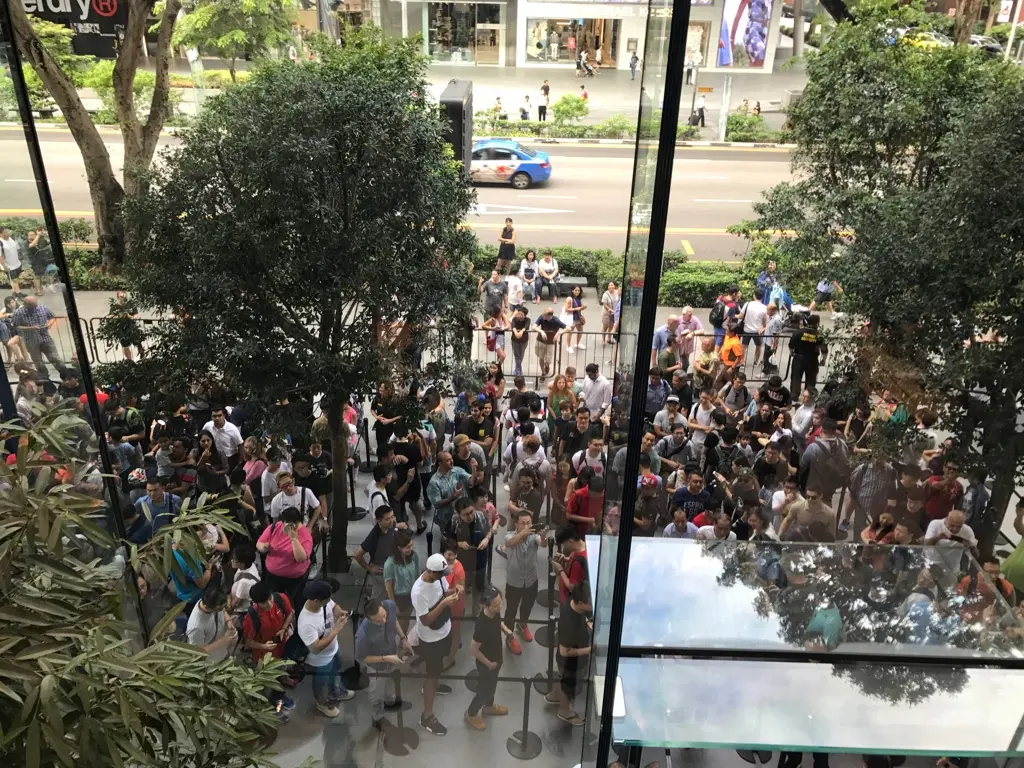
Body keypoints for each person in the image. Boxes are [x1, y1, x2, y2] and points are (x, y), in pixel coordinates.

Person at [411, 553, 462, 736]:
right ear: (431, 572)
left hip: (444, 630)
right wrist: (445, 603)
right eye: (441, 573)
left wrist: (454, 591)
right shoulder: (418, 592)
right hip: (430, 638)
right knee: (432, 673)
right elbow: (425, 620)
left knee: (438, 665)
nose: (444, 576)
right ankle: (427, 716)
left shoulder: (439, 579)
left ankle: (432, 683)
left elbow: (444, 592)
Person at [297, 580, 354, 718]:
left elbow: (334, 605)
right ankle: (322, 703)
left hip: (333, 650)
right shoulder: (306, 623)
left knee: (335, 672)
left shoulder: (324, 601)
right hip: (320, 661)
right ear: (316, 600)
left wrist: (339, 612)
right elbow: (316, 648)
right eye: (327, 599)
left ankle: (335, 691)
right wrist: (336, 630)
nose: (329, 601)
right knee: (321, 683)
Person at [462, 585, 512, 732]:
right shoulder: (482, 625)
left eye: (500, 602)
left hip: (496, 656)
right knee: (485, 689)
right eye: (496, 605)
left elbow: (498, 622)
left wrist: (505, 629)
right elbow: (473, 649)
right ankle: (471, 713)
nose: (500, 606)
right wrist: (489, 664)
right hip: (487, 662)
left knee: (493, 685)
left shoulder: (495, 613)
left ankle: (489, 707)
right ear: (485, 605)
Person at [241, 581, 297, 711]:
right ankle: (275, 701)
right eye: (264, 603)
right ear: (256, 602)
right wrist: (264, 646)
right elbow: (248, 642)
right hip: (264, 657)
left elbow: (290, 613)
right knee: (270, 681)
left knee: (281, 669)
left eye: (270, 599)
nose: (269, 604)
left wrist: (283, 628)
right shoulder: (252, 618)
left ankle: (281, 680)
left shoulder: (281, 598)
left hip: (282, 647)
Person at [356, 598, 410, 730]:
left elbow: (394, 621)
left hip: (392, 656)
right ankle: (377, 717)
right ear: (369, 619)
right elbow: (362, 658)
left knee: (390, 682)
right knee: (376, 694)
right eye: (379, 621)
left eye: (384, 616)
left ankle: (389, 701)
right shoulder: (363, 634)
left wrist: (403, 638)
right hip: (377, 668)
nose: (384, 621)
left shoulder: (389, 605)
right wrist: (386, 658)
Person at [545, 580, 592, 727]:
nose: (592, 606)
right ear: (580, 603)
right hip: (571, 663)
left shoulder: (573, 604)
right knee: (568, 685)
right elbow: (565, 652)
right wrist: (591, 649)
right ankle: (564, 710)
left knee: (563, 680)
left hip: (569, 663)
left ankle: (555, 696)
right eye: (589, 603)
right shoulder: (569, 623)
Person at [256, 507, 312, 605]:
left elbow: (301, 558)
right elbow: (260, 543)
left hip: (294, 579)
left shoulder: (305, 534)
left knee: (296, 602)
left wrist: (293, 538)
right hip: (273, 576)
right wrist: (263, 547)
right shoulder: (274, 527)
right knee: (275, 601)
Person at [353, 505, 407, 599]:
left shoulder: (390, 524)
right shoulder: (373, 537)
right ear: (379, 521)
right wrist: (369, 568)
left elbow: (394, 526)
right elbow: (357, 555)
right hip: (381, 572)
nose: (392, 520)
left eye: (392, 516)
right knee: (377, 599)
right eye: (387, 519)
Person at [11, 295, 63, 376]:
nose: (33, 309)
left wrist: (49, 324)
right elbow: (16, 327)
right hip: (31, 341)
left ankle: (65, 375)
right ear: (25, 305)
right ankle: (45, 378)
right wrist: (31, 328)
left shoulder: (43, 308)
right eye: (31, 307)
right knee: (38, 362)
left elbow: (52, 317)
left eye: (35, 306)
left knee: (55, 358)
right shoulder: (18, 313)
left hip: (46, 338)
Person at [924, 510, 978, 586]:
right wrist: (938, 537)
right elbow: (926, 544)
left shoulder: (967, 530)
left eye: (959, 526)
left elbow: (976, 554)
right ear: (946, 520)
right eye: (952, 525)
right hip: (932, 565)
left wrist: (971, 547)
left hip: (952, 570)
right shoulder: (935, 524)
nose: (955, 529)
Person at [186, 585, 237, 659]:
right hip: (211, 660)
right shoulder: (195, 627)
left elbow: (223, 610)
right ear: (206, 607)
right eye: (219, 609)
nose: (223, 610)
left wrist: (228, 621)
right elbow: (197, 652)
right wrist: (223, 640)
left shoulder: (210, 601)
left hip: (221, 650)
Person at [383, 530, 419, 629]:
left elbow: (416, 576)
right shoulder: (389, 564)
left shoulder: (414, 556)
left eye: (411, 545)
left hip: (411, 595)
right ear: (399, 548)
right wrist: (393, 604)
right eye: (408, 547)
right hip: (399, 599)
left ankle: (403, 640)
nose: (411, 549)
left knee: (406, 621)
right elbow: (388, 587)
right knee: (400, 623)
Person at [790, 314, 826, 396]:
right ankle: (808, 395)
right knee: (811, 379)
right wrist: (823, 360)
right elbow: (824, 349)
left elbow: (791, 345)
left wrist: (792, 353)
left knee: (796, 377)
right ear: (817, 323)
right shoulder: (819, 335)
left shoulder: (798, 332)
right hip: (812, 359)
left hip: (798, 358)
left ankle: (794, 395)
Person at [534, 306, 566, 378]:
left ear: (549, 316)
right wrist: (541, 331)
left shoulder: (556, 320)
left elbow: (568, 328)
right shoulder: (541, 317)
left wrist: (559, 333)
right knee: (541, 357)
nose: (542, 315)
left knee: (548, 360)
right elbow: (534, 326)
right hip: (540, 340)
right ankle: (543, 372)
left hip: (550, 343)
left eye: (544, 314)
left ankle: (547, 365)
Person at [563, 284, 587, 353]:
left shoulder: (579, 298)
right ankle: (568, 346)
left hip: (578, 317)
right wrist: (577, 308)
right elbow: (566, 309)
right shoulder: (569, 299)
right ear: (572, 290)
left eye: (578, 290)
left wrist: (582, 308)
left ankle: (577, 343)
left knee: (580, 330)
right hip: (571, 318)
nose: (577, 292)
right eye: (575, 290)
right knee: (570, 332)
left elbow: (579, 307)